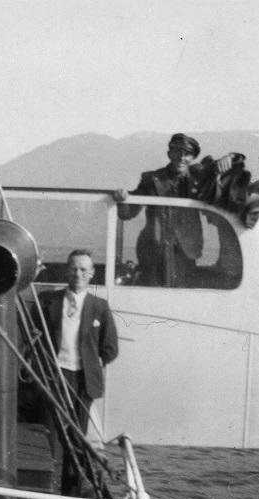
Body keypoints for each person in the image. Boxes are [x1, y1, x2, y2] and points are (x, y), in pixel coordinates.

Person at [113, 133, 236, 287]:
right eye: (177, 152)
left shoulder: (199, 174)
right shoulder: (151, 179)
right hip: (153, 250)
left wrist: (230, 157)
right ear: (169, 154)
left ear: (193, 158)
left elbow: (225, 164)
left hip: (186, 250)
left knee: (181, 295)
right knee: (151, 294)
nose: (182, 158)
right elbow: (127, 213)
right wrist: (123, 198)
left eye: (187, 154)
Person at [33, 249, 118, 435]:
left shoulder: (100, 307)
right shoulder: (48, 301)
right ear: (67, 271)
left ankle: (74, 465)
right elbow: (31, 337)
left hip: (84, 381)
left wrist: (92, 364)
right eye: (73, 269)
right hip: (54, 376)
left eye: (83, 269)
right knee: (52, 432)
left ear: (92, 273)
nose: (78, 274)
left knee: (78, 435)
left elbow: (110, 348)